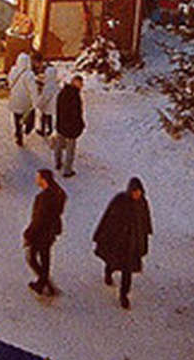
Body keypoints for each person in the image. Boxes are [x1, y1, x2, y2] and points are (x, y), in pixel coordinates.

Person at [93, 177, 153, 309]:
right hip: (118, 242)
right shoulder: (120, 201)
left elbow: (145, 221)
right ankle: (108, 272)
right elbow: (108, 219)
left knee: (128, 270)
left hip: (133, 243)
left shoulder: (142, 203)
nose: (136, 195)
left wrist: (144, 239)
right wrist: (103, 236)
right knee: (112, 261)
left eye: (139, 192)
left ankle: (124, 294)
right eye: (134, 192)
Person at [24, 169, 66, 297]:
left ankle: (44, 282)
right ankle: (43, 283)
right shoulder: (58, 193)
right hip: (51, 230)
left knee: (31, 257)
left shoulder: (43, 198)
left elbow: (38, 219)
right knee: (45, 256)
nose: (36, 180)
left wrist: (28, 234)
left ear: (44, 180)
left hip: (41, 232)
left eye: (38, 178)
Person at [55, 75, 86, 178]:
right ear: (75, 83)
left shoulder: (63, 92)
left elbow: (58, 108)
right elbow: (76, 113)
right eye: (80, 83)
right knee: (70, 148)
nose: (82, 86)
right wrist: (80, 124)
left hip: (61, 123)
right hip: (71, 126)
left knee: (59, 143)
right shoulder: (75, 96)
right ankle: (67, 170)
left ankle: (58, 162)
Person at [8, 52, 39, 148]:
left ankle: (19, 135)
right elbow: (33, 90)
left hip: (15, 100)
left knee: (17, 119)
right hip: (25, 102)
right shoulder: (29, 75)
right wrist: (35, 102)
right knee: (29, 117)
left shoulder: (13, 71)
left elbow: (9, 82)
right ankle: (27, 129)